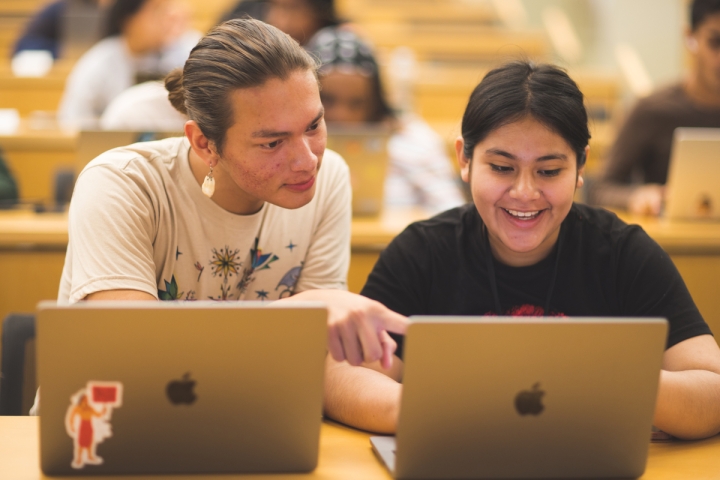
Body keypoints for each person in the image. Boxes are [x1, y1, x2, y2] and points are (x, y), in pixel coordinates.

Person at [323, 61, 720, 440]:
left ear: (581, 166)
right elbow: (340, 376)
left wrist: (610, 380)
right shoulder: (423, 251)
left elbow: (712, 390)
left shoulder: (623, 252)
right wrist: (435, 407)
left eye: (549, 171)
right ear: (465, 159)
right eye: (501, 167)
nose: (525, 194)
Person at [59, 18, 405, 379]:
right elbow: (130, 347)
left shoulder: (329, 176)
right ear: (204, 143)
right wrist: (297, 311)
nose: (308, 161)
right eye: (272, 143)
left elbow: (318, 356)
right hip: (106, 421)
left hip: (252, 416)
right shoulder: (122, 183)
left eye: (314, 126)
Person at [306, 28, 466, 214]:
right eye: (328, 99)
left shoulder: (415, 142)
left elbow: (452, 213)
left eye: (357, 103)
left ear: (375, 102)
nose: (342, 116)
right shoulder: (289, 145)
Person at [591, 0, 720, 216]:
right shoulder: (653, 110)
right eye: (715, 43)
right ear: (690, 37)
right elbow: (600, 189)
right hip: (670, 245)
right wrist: (636, 196)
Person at [57, 0, 200, 128]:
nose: (168, 18)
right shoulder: (98, 62)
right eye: (157, 10)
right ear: (129, 19)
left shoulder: (188, 53)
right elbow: (72, 121)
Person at [223, 0, 339, 46]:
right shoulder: (244, 26)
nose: (280, 20)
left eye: (293, 8)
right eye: (274, 6)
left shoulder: (336, 39)